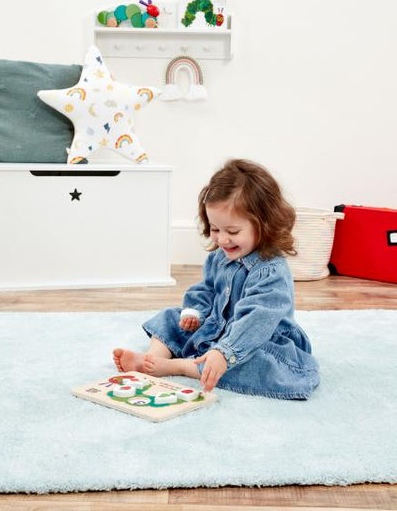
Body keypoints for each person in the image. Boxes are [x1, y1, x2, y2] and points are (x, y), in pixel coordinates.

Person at [113, 159, 319, 399]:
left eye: (232, 232)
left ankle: (179, 366)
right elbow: (207, 290)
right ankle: (152, 358)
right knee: (171, 317)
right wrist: (194, 312)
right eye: (215, 229)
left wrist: (224, 352)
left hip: (256, 339)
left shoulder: (271, 271)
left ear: (264, 225)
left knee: (262, 365)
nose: (222, 240)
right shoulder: (219, 258)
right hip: (218, 328)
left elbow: (257, 320)